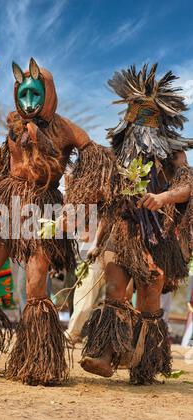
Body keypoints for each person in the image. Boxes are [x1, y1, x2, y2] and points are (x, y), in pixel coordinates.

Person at [0, 58, 110, 383]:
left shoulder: (65, 127)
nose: (28, 101)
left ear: (48, 92)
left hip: (43, 211)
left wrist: (78, 200)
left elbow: (94, 158)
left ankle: (37, 362)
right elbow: (2, 163)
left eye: (35, 93)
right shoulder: (14, 123)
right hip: (6, 206)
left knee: (36, 286)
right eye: (23, 94)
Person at [67, 64, 192, 385]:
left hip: (157, 236)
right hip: (121, 231)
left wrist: (164, 197)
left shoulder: (174, 152)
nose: (138, 120)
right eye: (134, 110)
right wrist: (80, 192)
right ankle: (104, 354)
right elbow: (101, 191)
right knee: (113, 292)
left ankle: (143, 365)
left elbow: (186, 187)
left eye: (146, 112)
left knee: (150, 300)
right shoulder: (116, 151)